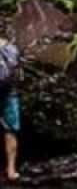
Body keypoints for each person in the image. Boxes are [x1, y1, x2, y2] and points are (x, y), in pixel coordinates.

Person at [0, 32, 19, 182]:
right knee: (10, 130)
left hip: (8, 92)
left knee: (10, 130)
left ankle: (10, 168)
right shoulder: (11, 49)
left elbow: (11, 71)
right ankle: (10, 169)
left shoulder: (10, 49)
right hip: (8, 92)